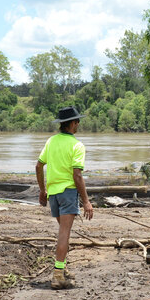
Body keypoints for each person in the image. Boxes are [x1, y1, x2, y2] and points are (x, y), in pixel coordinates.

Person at [35, 106, 94, 289]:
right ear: (72, 124)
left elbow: (38, 166)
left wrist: (42, 190)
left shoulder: (51, 141)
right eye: (78, 122)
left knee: (63, 233)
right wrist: (86, 201)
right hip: (68, 192)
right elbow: (77, 175)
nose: (78, 125)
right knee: (64, 234)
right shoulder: (77, 145)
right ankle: (58, 274)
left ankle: (63, 268)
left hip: (53, 193)